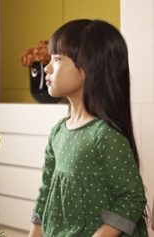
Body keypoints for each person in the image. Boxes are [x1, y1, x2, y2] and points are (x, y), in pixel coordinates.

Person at [28, 19, 148, 237]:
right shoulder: (58, 132)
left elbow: (132, 198)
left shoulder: (104, 136)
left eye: (57, 59)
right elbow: (45, 192)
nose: (47, 67)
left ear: (89, 66)